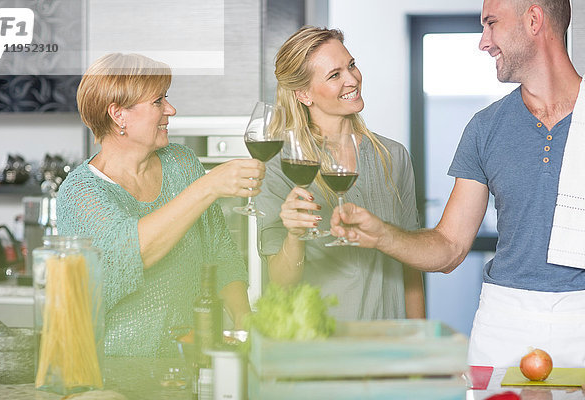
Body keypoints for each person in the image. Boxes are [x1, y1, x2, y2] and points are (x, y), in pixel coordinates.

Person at [331, 0, 585, 367]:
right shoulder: (484, 128)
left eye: (491, 24)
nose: (483, 42)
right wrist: (381, 235)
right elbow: (450, 247)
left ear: (533, 19)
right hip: (504, 322)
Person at [56, 53, 263, 357]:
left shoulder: (182, 163)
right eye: (157, 102)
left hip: (193, 363)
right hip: (117, 373)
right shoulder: (79, 193)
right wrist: (208, 187)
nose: (171, 109)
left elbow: (221, 253)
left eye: (167, 98)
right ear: (118, 115)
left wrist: (247, 327)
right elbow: (131, 252)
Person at [254, 26, 425, 321]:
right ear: (304, 94)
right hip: (320, 351)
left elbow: (412, 260)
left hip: (389, 348)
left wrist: (421, 343)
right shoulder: (280, 165)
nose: (352, 79)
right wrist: (295, 236)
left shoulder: (394, 156)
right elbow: (279, 283)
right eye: (335, 75)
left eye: (352, 65)